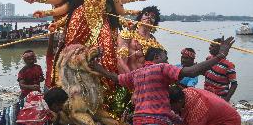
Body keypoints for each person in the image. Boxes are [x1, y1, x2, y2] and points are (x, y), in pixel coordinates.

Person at [89, 36, 235, 125]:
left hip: (139, 119)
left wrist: (97, 66)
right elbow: (192, 71)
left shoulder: (136, 73)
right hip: (156, 120)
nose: (167, 60)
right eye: (165, 57)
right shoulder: (162, 68)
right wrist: (220, 55)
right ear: (157, 57)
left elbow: (114, 77)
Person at [0, 87, 68, 125]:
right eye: (61, 105)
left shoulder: (35, 95)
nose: (61, 108)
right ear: (54, 104)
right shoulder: (38, 117)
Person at [117, 6, 164, 74]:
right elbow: (120, 61)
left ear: (154, 23)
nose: (149, 17)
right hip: (129, 77)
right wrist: (131, 79)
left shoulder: (153, 41)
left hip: (147, 80)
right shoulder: (128, 34)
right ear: (140, 17)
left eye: (153, 16)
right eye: (146, 14)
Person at [169, 85, 241, 125]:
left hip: (229, 121)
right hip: (213, 116)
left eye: (171, 106)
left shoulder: (197, 110)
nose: (170, 109)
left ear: (179, 101)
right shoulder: (185, 92)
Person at [204, 37, 238, 101]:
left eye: (212, 46)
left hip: (220, 97)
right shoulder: (208, 59)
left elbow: (234, 84)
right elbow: (207, 74)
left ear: (220, 49)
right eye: (210, 45)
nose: (209, 48)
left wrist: (226, 99)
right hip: (207, 94)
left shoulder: (229, 65)